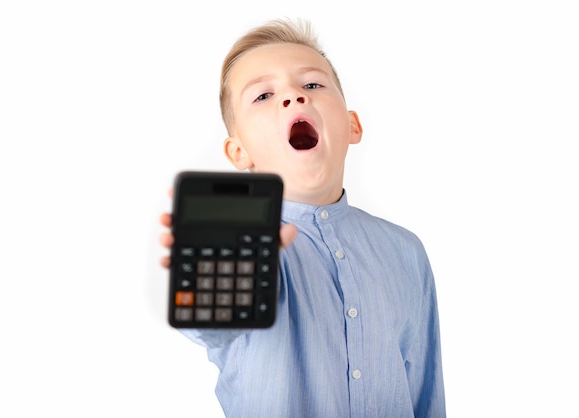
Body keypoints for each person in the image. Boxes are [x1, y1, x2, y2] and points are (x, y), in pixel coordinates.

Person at [159, 17, 446, 418]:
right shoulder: (238, 241)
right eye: (262, 95)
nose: (294, 96)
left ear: (351, 125)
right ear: (238, 152)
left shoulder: (406, 251)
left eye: (312, 85)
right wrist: (220, 263)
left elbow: (425, 392)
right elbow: (211, 323)